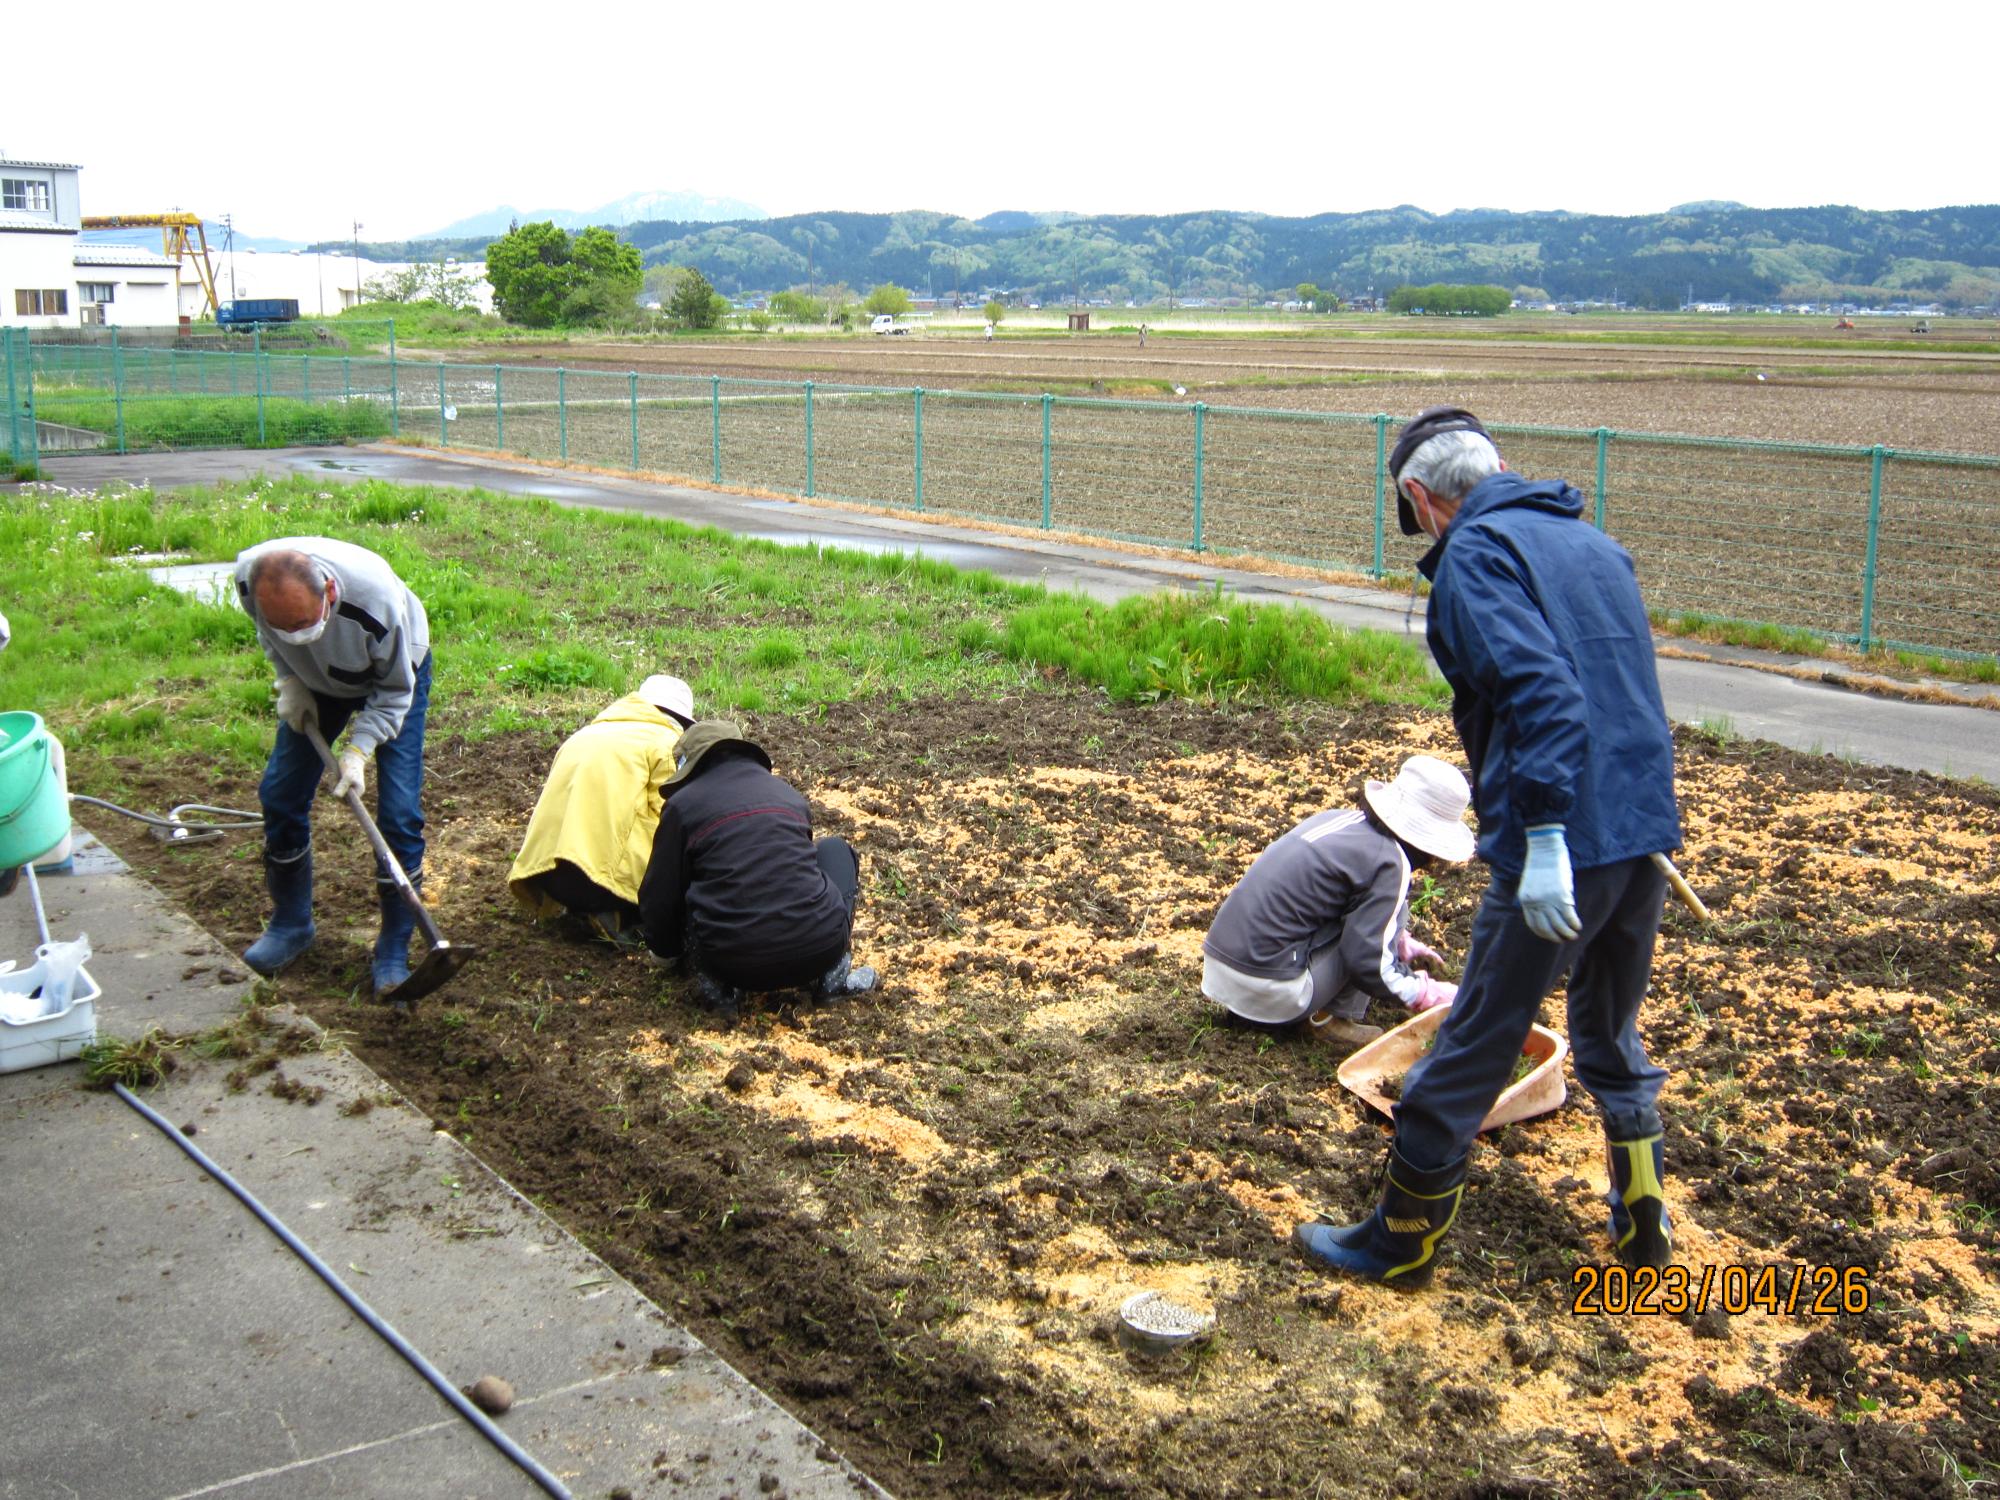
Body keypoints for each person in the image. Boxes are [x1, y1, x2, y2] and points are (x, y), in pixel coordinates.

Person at [1295, 407, 1683, 1288]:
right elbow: (1625, 691)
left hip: (1567, 842)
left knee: (1476, 1037)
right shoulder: (1594, 547)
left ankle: (1399, 1245)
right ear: (1500, 465)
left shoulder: (1474, 558)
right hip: (1642, 831)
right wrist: (1632, 824)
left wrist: (1545, 835)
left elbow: (1542, 696)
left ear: (1422, 500)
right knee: (1610, 1032)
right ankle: (1642, 1224)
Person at [233, 538, 432, 997]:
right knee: (279, 795)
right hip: (315, 682)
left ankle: (393, 950)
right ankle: (291, 925)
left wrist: (358, 751)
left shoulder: (377, 602)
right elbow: (270, 635)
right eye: (286, 626)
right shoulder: (249, 580)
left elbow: (395, 693)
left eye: (303, 623)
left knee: (398, 816)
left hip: (394, 676)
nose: (295, 632)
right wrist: (289, 680)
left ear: (328, 590)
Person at [1202, 756, 1473, 1050]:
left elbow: (1321, 900)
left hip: (1222, 970)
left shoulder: (1337, 820)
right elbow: (1368, 963)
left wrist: (1400, 940)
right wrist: (1424, 992)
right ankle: (1327, 1019)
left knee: (1379, 923)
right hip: (1270, 989)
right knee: (1371, 936)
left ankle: (1270, 1010)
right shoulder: (1389, 863)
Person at [638, 719, 877, 1017]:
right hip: (819, 949)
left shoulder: (682, 806)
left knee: (690, 879)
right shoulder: (787, 794)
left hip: (732, 963)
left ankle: (719, 994)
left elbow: (660, 894)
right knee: (834, 850)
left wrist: (666, 955)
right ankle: (833, 977)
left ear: (691, 765)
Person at [508, 674, 695, 949]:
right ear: (681, 719)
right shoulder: (666, 742)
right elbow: (672, 813)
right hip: (598, 881)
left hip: (545, 874)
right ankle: (617, 911)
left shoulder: (584, 734)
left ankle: (579, 902)